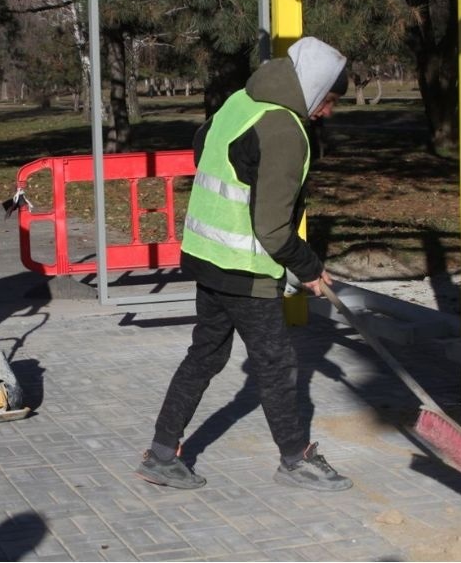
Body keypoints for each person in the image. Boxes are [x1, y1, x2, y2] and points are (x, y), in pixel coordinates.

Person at [135, 37, 353, 491]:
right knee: (276, 363)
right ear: (314, 89)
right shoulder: (285, 130)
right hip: (244, 268)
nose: (328, 112)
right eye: (330, 100)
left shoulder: (241, 101)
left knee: (206, 355)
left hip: (206, 254)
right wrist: (308, 267)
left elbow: (203, 148)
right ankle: (296, 461)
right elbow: (272, 228)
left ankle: (161, 454)